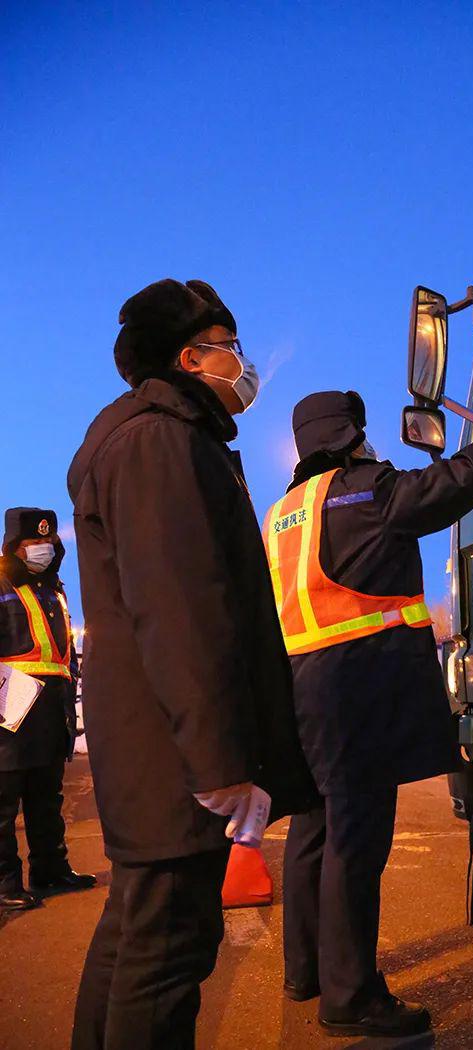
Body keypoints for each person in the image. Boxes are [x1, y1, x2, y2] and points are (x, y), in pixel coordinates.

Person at [67, 279, 317, 1050]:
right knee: (169, 951)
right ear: (189, 356)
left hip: (153, 746)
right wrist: (217, 760)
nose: (241, 363)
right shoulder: (158, 441)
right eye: (230, 348)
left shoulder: (149, 436)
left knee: (138, 937)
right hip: (173, 754)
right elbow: (180, 609)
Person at [264, 391, 473, 1038]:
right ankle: (349, 998)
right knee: (356, 840)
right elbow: (444, 487)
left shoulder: (283, 513)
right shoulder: (364, 489)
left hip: (301, 690)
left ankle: (306, 971)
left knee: (314, 831)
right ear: (350, 436)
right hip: (357, 687)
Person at [0, 508, 96, 911]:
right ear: (14, 547)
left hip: (49, 712)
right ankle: (5, 885)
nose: (41, 548)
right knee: (3, 805)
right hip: (9, 714)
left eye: (47, 542)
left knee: (47, 797)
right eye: (32, 543)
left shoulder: (53, 588)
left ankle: (50, 871)